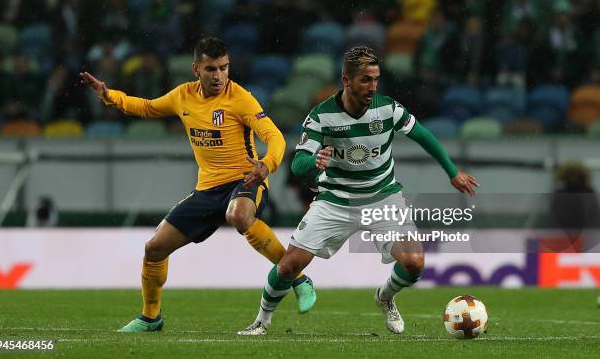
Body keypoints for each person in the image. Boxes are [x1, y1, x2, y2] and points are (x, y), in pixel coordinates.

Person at [80, 37, 315, 332]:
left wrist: (266, 166)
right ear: (196, 69)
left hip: (246, 179)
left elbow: (274, 136)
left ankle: (297, 278)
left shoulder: (240, 98)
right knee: (154, 248)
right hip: (207, 190)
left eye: (224, 68)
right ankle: (151, 318)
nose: (219, 76)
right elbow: (147, 108)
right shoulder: (183, 96)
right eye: (211, 69)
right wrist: (108, 95)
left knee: (239, 216)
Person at [238, 46, 478, 335]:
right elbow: (298, 165)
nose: (372, 87)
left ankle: (385, 297)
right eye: (365, 79)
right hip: (335, 200)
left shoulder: (387, 108)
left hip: (383, 196)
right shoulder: (322, 116)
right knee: (289, 266)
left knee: (414, 262)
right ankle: (261, 321)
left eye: (376, 79)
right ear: (346, 80)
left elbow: (423, 135)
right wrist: (314, 161)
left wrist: (452, 171)